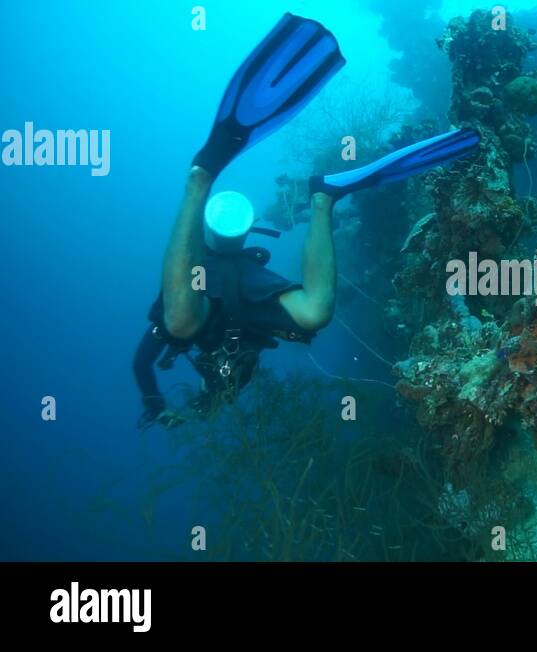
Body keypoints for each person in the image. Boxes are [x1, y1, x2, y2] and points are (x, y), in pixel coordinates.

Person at [134, 13, 480, 429]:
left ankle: (201, 176)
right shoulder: (230, 368)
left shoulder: (180, 331)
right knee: (315, 311)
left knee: (180, 320)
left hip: (204, 280)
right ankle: (323, 198)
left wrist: (155, 405)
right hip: (246, 295)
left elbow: (142, 363)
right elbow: (228, 377)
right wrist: (206, 401)